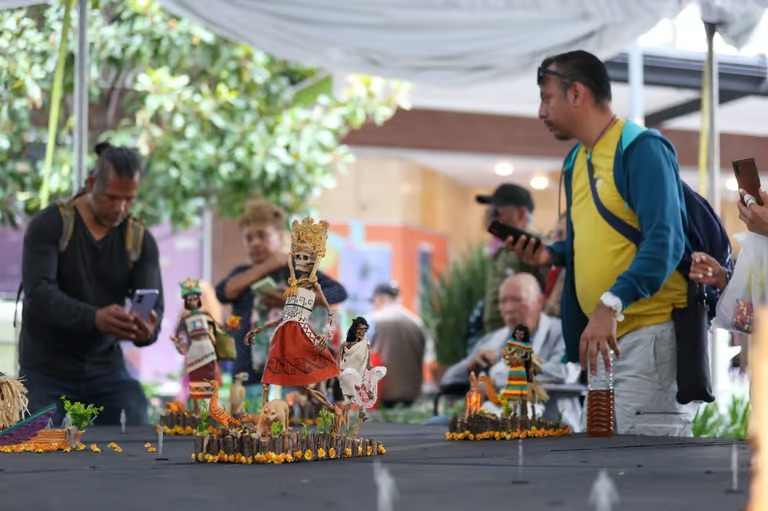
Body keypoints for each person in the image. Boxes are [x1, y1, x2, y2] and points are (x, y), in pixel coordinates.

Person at [509, 50, 695, 435]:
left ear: (576, 93)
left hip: (649, 337)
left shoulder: (641, 148)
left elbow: (666, 241)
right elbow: (593, 241)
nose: (541, 112)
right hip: (601, 342)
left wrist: (611, 303)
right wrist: (551, 254)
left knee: (643, 463)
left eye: (547, 98)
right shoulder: (575, 161)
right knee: (600, 462)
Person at [19, 142, 164, 426]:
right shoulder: (50, 225)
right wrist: (95, 318)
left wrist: (145, 329)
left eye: (129, 199)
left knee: (134, 421)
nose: (120, 208)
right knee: (39, 441)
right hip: (45, 371)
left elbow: (153, 307)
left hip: (106, 371)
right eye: (111, 198)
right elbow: (39, 296)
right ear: (90, 184)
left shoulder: (139, 239)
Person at [215, 199, 347, 406]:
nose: (255, 243)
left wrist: (293, 299)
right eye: (249, 238)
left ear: (279, 236)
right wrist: (269, 265)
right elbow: (224, 292)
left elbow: (338, 292)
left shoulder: (296, 270)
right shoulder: (242, 274)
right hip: (247, 374)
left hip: (292, 376)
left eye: (262, 235)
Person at [441, 273, 580, 429]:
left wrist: (496, 376)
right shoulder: (493, 340)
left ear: (539, 301)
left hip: (552, 424)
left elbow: (564, 371)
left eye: (517, 300)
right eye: (503, 302)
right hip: (498, 424)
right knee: (437, 423)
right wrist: (470, 366)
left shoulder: (562, 332)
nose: (509, 308)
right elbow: (448, 380)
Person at [476, 184, 547, 334]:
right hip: (496, 334)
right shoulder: (504, 249)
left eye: (497, 211)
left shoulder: (534, 248)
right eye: (491, 210)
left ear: (521, 214)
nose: (491, 216)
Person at [368, 282, 427, 408]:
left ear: (380, 298)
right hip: (411, 395)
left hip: (379, 395)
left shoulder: (372, 319)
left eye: (374, 300)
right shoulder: (416, 322)